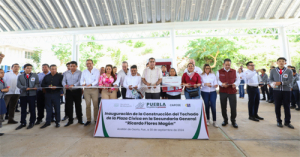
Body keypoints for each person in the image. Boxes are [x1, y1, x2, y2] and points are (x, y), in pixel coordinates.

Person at [269, 57, 294, 129]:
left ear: (285, 63)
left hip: (286, 91)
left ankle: (287, 122)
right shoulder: (273, 71)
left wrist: (281, 83)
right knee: (277, 106)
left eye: (283, 61)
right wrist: (272, 84)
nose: (281, 62)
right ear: (277, 62)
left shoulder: (289, 71)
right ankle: (279, 121)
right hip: (276, 91)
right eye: (279, 61)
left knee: (287, 106)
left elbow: (290, 80)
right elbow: (270, 79)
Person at [216, 59, 240, 128]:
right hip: (223, 92)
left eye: (229, 65)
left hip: (232, 92)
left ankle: (233, 121)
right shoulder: (219, 72)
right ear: (223, 64)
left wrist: (235, 84)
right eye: (226, 65)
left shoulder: (234, 71)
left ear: (230, 64)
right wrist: (221, 84)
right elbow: (217, 80)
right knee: (223, 107)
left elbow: (238, 80)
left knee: (233, 107)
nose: (227, 66)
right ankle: (225, 120)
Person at [16, 64, 39, 130]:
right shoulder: (20, 76)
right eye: (28, 68)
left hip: (32, 95)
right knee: (23, 109)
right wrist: (25, 88)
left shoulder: (35, 75)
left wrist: (34, 88)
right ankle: (23, 122)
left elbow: (37, 83)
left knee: (32, 109)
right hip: (23, 95)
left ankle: (32, 122)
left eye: (30, 68)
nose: (29, 69)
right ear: (24, 69)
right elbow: (18, 85)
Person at [62, 61, 83, 127]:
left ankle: (80, 119)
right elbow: (63, 81)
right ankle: (70, 120)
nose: (72, 67)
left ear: (76, 66)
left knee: (78, 105)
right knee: (69, 106)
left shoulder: (80, 72)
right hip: (69, 91)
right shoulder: (65, 73)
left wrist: (74, 85)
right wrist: (65, 85)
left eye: (74, 66)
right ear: (69, 66)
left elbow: (80, 81)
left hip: (77, 91)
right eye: (71, 66)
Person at [80, 59, 99, 126]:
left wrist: (91, 84)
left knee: (95, 105)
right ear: (86, 64)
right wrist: (82, 84)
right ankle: (88, 120)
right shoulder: (84, 71)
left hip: (94, 89)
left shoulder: (96, 71)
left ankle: (96, 119)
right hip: (86, 90)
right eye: (87, 63)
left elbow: (97, 80)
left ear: (92, 64)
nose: (89, 65)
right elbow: (81, 80)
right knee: (87, 105)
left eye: (90, 63)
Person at [0, 69, 9, 136]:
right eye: (1, 73)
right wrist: (2, 90)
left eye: (3, 72)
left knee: (1, 114)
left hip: (1, 98)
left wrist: (5, 90)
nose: (3, 74)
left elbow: (6, 89)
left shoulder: (3, 80)